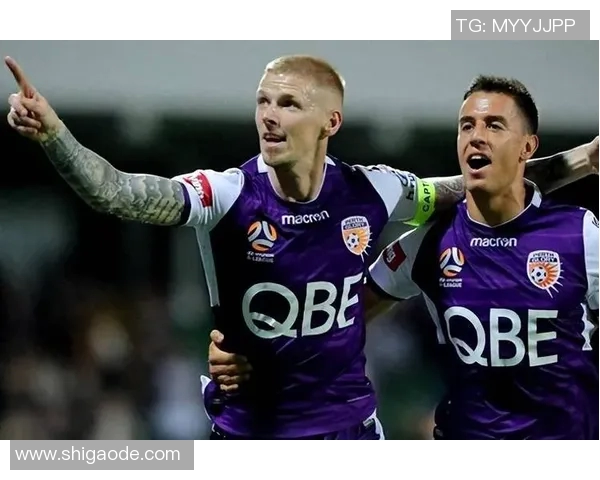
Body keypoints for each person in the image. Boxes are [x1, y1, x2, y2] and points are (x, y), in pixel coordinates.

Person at [5, 54, 596, 440]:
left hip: (349, 431)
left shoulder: (373, 191)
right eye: (263, 101)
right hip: (252, 434)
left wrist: (583, 161)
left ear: (330, 121)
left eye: (288, 104)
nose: (269, 116)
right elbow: (120, 195)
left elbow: (481, 185)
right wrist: (56, 136)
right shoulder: (226, 194)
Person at [209, 74, 599, 439]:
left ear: (528, 147)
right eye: (467, 126)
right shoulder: (429, 243)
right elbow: (340, 316)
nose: (476, 137)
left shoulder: (579, 234)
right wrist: (248, 349)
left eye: (494, 125)